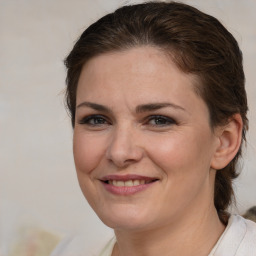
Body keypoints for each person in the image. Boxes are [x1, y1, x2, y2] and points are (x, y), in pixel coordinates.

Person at [51, 1, 256, 255]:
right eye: (97, 120)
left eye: (159, 120)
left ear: (224, 141)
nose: (119, 151)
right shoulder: (72, 250)